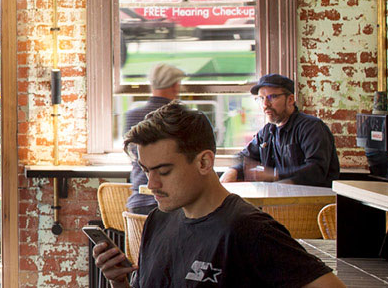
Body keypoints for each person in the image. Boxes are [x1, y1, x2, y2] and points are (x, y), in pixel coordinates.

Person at [95, 102, 343, 288]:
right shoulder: (157, 221)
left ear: (204, 162)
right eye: (146, 170)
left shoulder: (250, 231)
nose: (152, 183)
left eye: (164, 171)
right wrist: (120, 283)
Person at [220, 74, 339, 187]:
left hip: (314, 203)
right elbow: (244, 157)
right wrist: (233, 170)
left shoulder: (312, 127)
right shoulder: (267, 132)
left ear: (290, 99)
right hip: (279, 202)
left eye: (272, 97)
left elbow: (316, 171)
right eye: (261, 98)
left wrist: (274, 175)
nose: (265, 104)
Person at [124, 64, 184, 215]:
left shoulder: (132, 116)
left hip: (138, 203)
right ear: (176, 86)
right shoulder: (179, 117)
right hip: (170, 204)